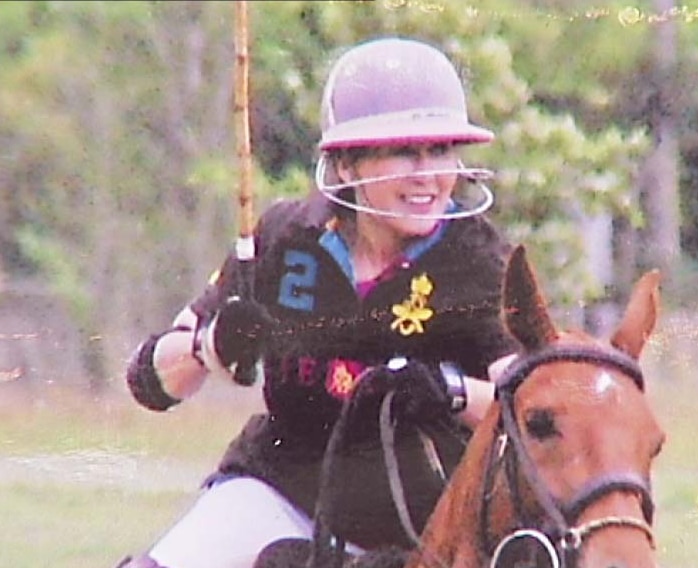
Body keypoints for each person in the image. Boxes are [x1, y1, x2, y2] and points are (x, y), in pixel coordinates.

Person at [118, 36, 518, 568]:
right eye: (403, 151)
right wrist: (210, 347)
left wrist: (449, 391)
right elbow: (151, 381)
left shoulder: (478, 260)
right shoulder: (285, 237)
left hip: (425, 525)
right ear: (346, 166)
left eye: (441, 150)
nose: (428, 175)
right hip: (281, 490)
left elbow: (530, 408)